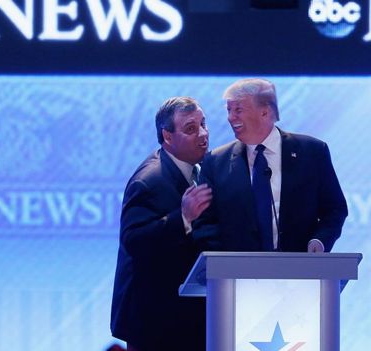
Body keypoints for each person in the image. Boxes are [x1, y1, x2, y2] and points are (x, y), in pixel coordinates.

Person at [193, 78, 347, 253]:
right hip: (238, 274)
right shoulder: (215, 162)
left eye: (238, 110)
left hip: (299, 271)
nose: (230, 117)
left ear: (265, 112)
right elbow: (204, 223)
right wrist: (225, 259)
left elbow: (335, 209)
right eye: (229, 110)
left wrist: (320, 241)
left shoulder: (312, 152)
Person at [111, 97, 212, 351]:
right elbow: (134, 241)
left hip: (188, 316)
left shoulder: (202, 168)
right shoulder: (149, 180)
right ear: (167, 136)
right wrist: (183, 217)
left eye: (203, 124)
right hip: (155, 323)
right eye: (191, 129)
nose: (202, 134)